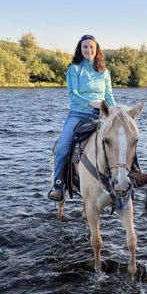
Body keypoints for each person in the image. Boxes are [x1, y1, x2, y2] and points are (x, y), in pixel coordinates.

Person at [48, 34, 116, 201]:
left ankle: (132, 175)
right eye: (85, 47)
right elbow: (73, 94)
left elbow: (108, 95)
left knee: (123, 138)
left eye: (91, 47)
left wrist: (114, 110)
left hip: (102, 114)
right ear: (80, 49)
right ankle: (58, 185)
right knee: (63, 146)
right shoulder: (74, 68)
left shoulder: (104, 71)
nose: (88, 50)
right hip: (78, 115)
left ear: (96, 49)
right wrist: (92, 103)